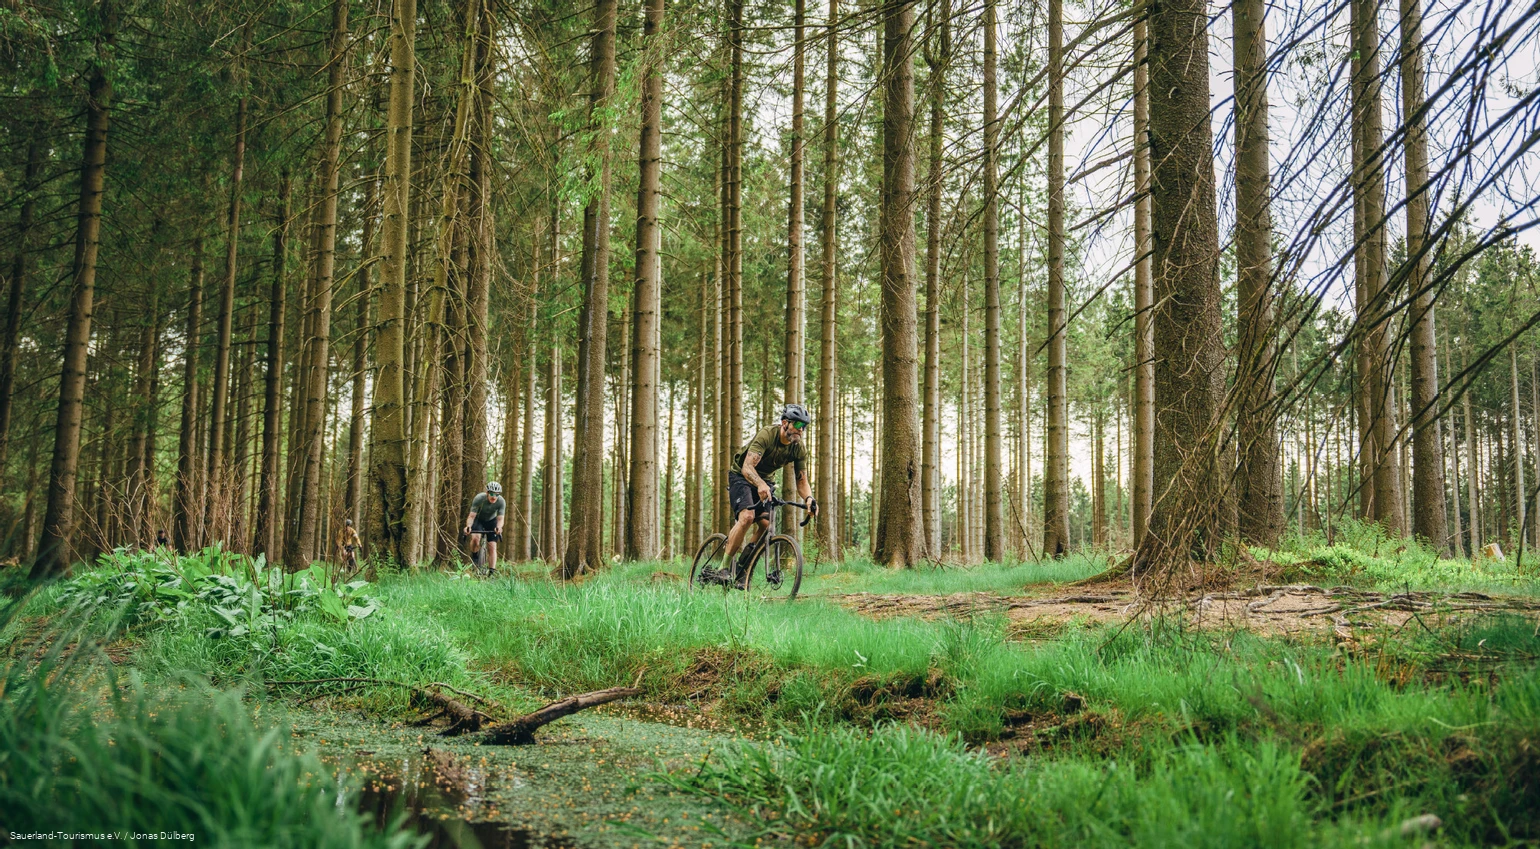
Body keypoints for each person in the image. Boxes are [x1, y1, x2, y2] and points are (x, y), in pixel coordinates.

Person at [719, 404, 818, 585]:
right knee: (747, 517)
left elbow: (802, 481)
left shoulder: (799, 449)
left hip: (766, 481)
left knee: (766, 524)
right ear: (784, 423)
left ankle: (742, 566)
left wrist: (809, 498)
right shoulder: (768, 434)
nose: (801, 430)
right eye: (797, 425)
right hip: (741, 475)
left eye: (804, 427)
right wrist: (760, 484)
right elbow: (747, 467)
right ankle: (723, 568)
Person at [464, 482, 506, 574]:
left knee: (492, 546)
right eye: (491, 494)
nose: (494, 497)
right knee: (475, 539)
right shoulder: (479, 498)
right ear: (487, 493)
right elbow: (471, 516)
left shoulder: (501, 501)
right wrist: (468, 526)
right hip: (478, 520)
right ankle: (475, 556)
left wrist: (499, 527)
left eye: (497, 494)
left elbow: (500, 518)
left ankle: (492, 572)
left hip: (491, 521)